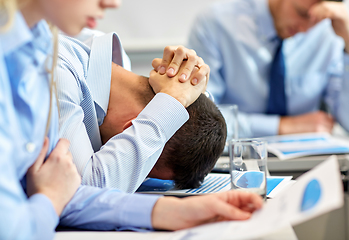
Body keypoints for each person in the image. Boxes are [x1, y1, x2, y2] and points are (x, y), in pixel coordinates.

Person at [0, 0, 262, 239]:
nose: (113, 3)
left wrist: (170, 210)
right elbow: (77, 188)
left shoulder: (40, 45)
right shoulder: (51, 64)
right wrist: (171, 101)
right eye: (136, 167)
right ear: (131, 129)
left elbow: (64, 191)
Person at [57, 30, 227, 191]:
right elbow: (83, 190)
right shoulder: (59, 71)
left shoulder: (112, 69)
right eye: (139, 170)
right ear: (130, 129)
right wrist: (173, 100)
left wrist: (190, 89)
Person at [188, 0, 349, 138]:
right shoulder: (215, 24)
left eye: (316, 20)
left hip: (308, 161)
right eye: (301, 13)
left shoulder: (328, 34)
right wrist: (282, 127)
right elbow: (201, 120)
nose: (305, 29)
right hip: (234, 160)